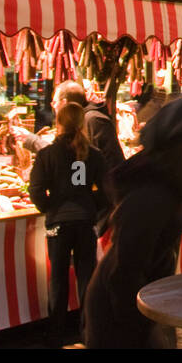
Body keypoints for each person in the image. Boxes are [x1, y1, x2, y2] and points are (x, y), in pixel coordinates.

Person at [82, 96, 182, 349]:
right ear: (178, 140)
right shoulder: (152, 193)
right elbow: (123, 273)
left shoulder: (171, 180)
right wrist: (141, 328)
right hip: (121, 312)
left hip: (146, 302)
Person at [28, 102, 110, 347]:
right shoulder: (93, 155)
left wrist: (50, 207)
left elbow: (36, 189)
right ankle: (88, 331)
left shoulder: (47, 155)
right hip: (84, 222)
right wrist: (90, 206)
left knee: (59, 280)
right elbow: (107, 191)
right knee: (87, 278)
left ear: (58, 122)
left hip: (58, 225)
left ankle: (56, 334)